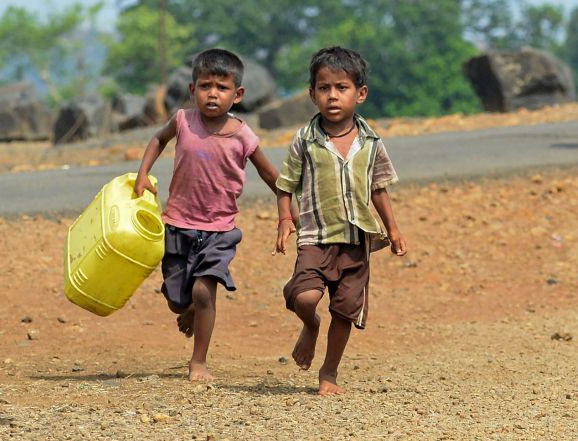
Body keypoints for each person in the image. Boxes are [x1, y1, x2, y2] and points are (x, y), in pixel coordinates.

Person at [135, 48, 281, 382]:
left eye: (222, 87)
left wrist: (288, 211)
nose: (212, 93)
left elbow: (270, 175)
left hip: (219, 229)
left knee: (204, 291)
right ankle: (188, 310)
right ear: (192, 90)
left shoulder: (243, 135)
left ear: (238, 94)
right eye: (205, 86)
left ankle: (198, 361)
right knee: (177, 300)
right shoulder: (183, 121)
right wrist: (143, 174)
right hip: (177, 223)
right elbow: (157, 140)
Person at [273, 46, 408, 395]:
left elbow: (378, 188)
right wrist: (284, 219)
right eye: (324, 88)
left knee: (346, 310)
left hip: (355, 240)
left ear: (360, 94)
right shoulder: (304, 139)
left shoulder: (372, 142)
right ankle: (310, 325)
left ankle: (329, 374)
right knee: (305, 297)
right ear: (312, 94)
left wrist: (392, 229)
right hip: (315, 236)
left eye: (341, 87)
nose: (332, 95)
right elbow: (285, 185)